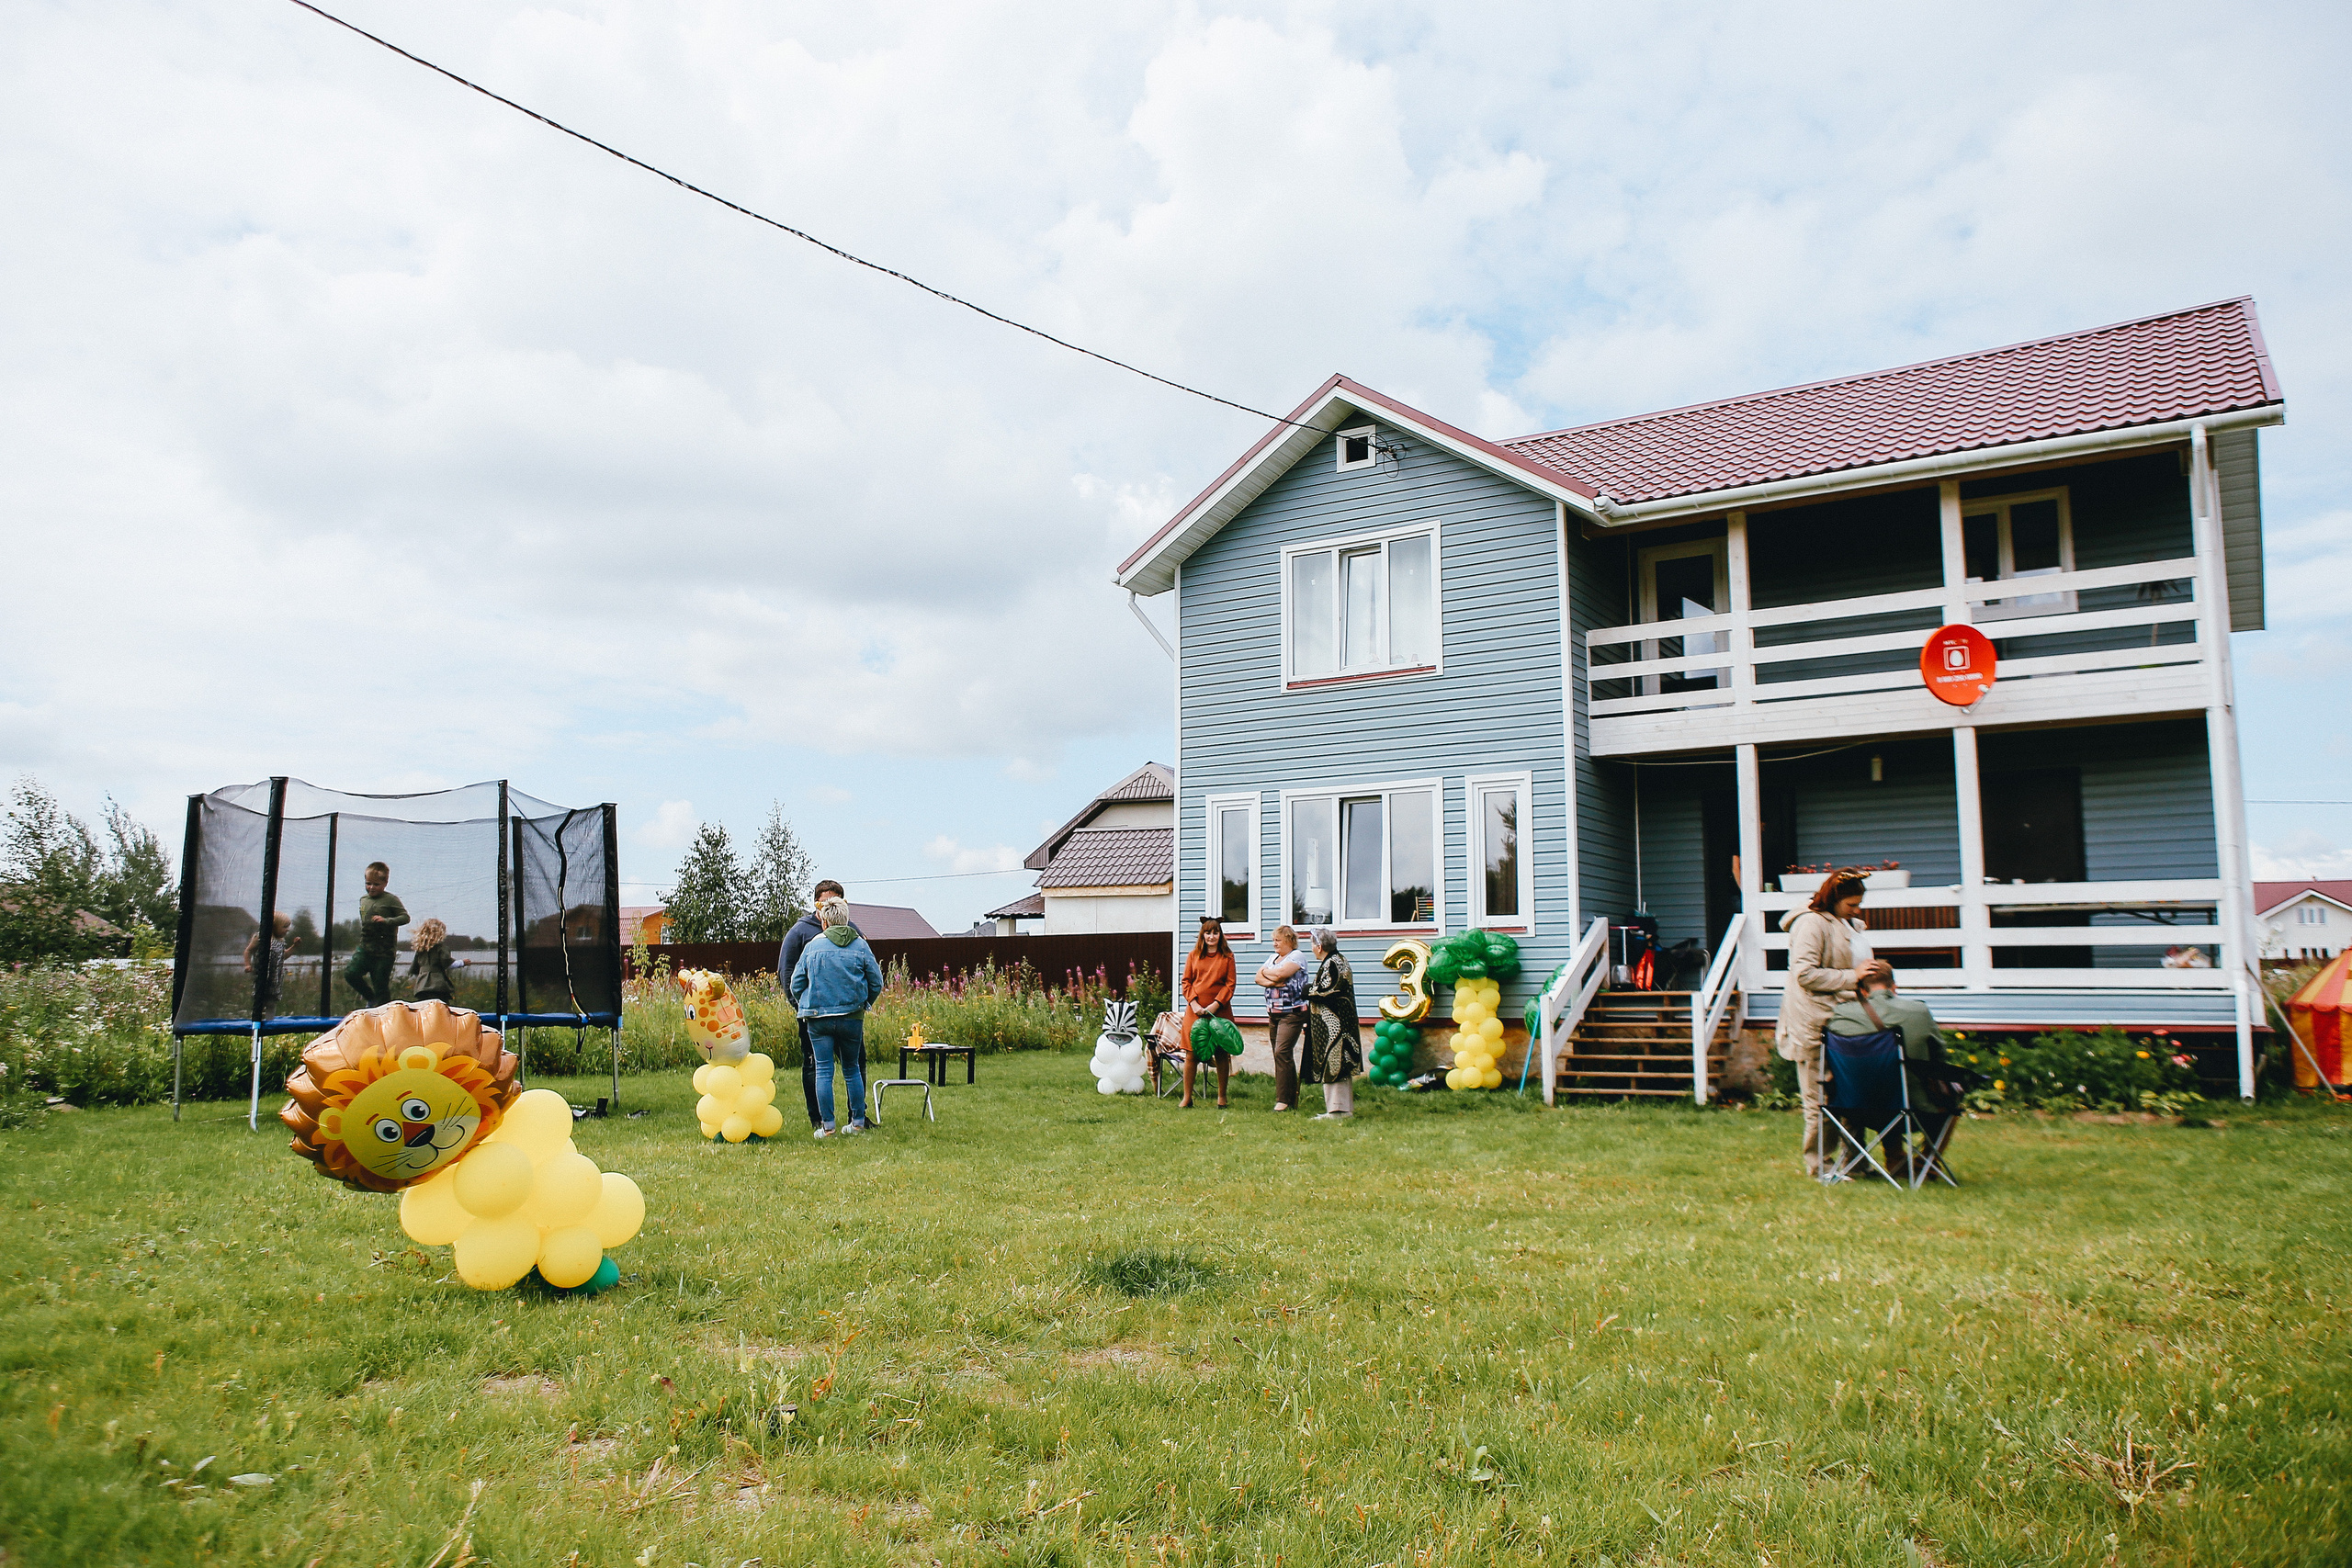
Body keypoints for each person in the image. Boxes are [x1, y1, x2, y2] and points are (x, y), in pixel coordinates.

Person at [1777, 867, 1890, 1177]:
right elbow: (1805, 974)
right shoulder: (1811, 924)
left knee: (1850, 1096)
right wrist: (1852, 977)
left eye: (1859, 904)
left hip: (1848, 1021)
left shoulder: (1847, 923)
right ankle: (1821, 1168)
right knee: (1821, 1100)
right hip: (1815, 1023)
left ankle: (1855, 1164)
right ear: (1834, 898)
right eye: (1851, 904)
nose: (1857, 910)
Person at [1821, 966, 1955, 1174]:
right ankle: (1925, 1163)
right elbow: (1939, 1056)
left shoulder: (1841, 1014)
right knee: (1946, 1099)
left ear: (1863, 992)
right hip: (1913, 1107)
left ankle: (1895, 1159)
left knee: (1882, 1084)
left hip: (1854, 1108)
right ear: (1894, 987)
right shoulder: (1918, 1011)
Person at [788, 898, 884, 1137]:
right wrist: (865, 1003)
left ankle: (827, 1126)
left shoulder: (812, 946)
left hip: (818, 1017)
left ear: (824, 920)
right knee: (852, 1068)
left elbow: (796, 983)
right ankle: (858, 1122)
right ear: (846, 918)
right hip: (852, 1017)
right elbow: (877, 982)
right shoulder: (861, 945)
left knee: (823, 1070)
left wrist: (806, 1003)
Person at [779, 881, 856, 1132]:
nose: (829, 908)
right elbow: (788, 972)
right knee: (817, 1067)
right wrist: (801, 1006)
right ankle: (819, 1118)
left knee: (854, 1066)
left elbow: (867, 971)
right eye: (825, 903)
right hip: (813, 1014)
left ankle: (858, 1117)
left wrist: (861, 1002)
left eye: (835, 902)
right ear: (816, 904)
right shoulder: (800, 933)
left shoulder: (852, 932)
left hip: (848, 1013)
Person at [1301, 927, 1363, 1121]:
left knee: (1334, 1065)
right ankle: (1343, 1109)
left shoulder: (1334, 963)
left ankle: (1337, 1111)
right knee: (1339, 1066)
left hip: (1336, 1029)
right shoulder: (1336, 961)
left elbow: (1326, 990)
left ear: (1319, 946)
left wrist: (1306, 990)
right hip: (1336, 1026)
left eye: (1312, 944)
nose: (1311, 948)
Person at [1179, 917, 1238, 1109]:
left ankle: (1222, 1097)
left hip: (1219, 1012)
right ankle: (1187, 1097)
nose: (1212, 936)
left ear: (1220, 935)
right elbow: (1186, 982)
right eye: (1208, 932)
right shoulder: (1193, 955)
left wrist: (1215, 1005)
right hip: (1195, 1011)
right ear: (1202, 935)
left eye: (1215, 932)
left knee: (1221, 1053)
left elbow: (1230, 985)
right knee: (1191, 1054)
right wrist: (1194, 1004)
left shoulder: (1227, 956)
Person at [1253, 924, 1309, 1112]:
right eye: (1274, 940)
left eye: (1278, 940)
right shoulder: (1273, 957)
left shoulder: (1297, 956)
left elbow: (1282, 973)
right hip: (1274, 1013)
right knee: (1281, 1055)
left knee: (1282, 1052)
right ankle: (1290, 1097)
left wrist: (1270, 975)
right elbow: (1257, 978)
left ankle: (1283, 1100)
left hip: (1292, 1012)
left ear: (1289, 941)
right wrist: (1273, 979)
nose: (1275, 943)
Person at [343, 862, 408, 1009]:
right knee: (351, 974)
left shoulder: (391, 899)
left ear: (385, 883)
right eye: (368, 883)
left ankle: (384, 1013)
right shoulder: (363, 900)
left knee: (381, 986)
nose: (371, 887)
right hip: (366, 948)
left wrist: (386, 920)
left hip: (384, 951)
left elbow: (405, 918)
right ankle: (370, 998)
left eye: (376, 884)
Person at [407, 918, 468, 1005]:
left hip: (421, 987)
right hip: (438, 986)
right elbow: (447, 964)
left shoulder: (420, 950)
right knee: (440, 1009)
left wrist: (422, 977)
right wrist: (462, 963)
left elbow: (414, 969)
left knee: (424, 1009)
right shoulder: (441, 948)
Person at [243, 910, 292, 1013]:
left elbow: (283, 956)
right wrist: (247, 965)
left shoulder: (280, 941)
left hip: (275, 977)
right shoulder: (261, 937)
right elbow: (248, 950)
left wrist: (295, 947)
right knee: (261, 999)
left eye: (288, 927)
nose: (287, 930)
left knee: (272, 1001)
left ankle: (270, 1022)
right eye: (284, 927)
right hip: (262, 976)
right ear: (274, 926)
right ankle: (257, 1020)